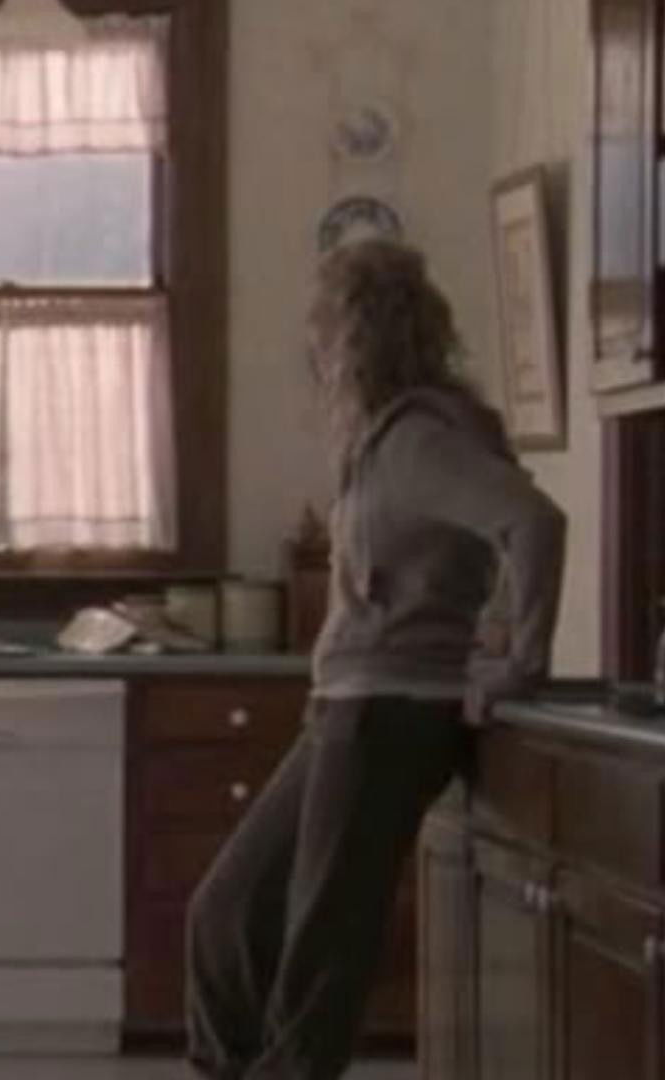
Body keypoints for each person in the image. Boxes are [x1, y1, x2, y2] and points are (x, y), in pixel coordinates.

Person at [185, 240, 566, 1080]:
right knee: (225, 913)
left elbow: (534, 522)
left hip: (388, 711)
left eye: (323, 334)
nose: (315, 353)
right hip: (348, 706)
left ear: (355, 339)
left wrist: (520, 661)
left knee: (320, 955)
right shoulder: (390, 438)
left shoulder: (420, 441)